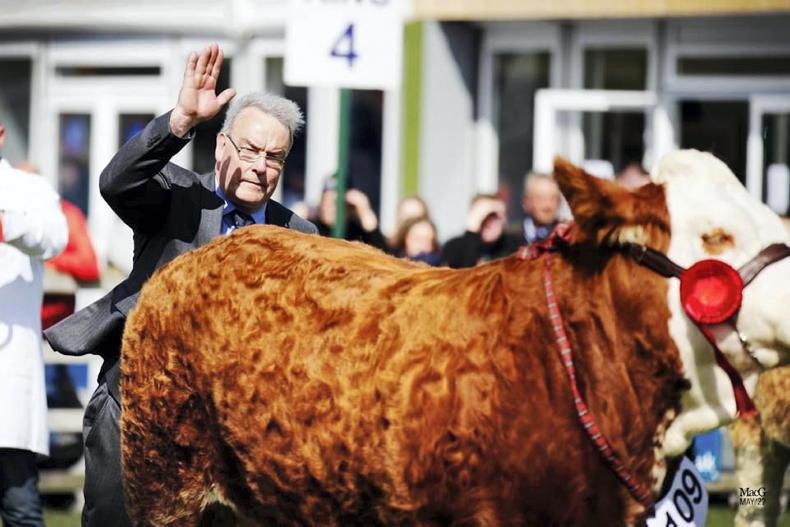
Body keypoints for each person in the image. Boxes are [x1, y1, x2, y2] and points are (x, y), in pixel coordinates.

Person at [44, 44, 316, 526]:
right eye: (249, 149)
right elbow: (116, 182)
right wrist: (180, 122)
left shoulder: (298, 236)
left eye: (274, 157)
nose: (260, 166)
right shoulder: (177, 194)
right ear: (221, 146)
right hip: (136, 408)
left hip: (231, 436)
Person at [0, 125, 69, 526]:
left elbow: (55, 238)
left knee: (20, 510)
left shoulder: (28, 188)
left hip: (8, 381)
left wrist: (7, 226)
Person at [442, 194, 522, 269]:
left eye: (497, 217)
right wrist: (472, 233)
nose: (491, 223)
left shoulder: (514, 246)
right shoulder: (454, 248)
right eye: (486, 216)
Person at [313, 178, 388, 251]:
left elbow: (383, 255)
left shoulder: (356, 232)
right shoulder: (313, 229)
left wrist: (365, 212)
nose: (327, 207)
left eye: (334, 203)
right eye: (324, 201)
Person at [520, 172, 561, 244]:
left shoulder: (566, 239)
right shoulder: (509, 240)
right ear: (526, 202)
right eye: (541, 199)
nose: (548, 205)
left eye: (553, 199)